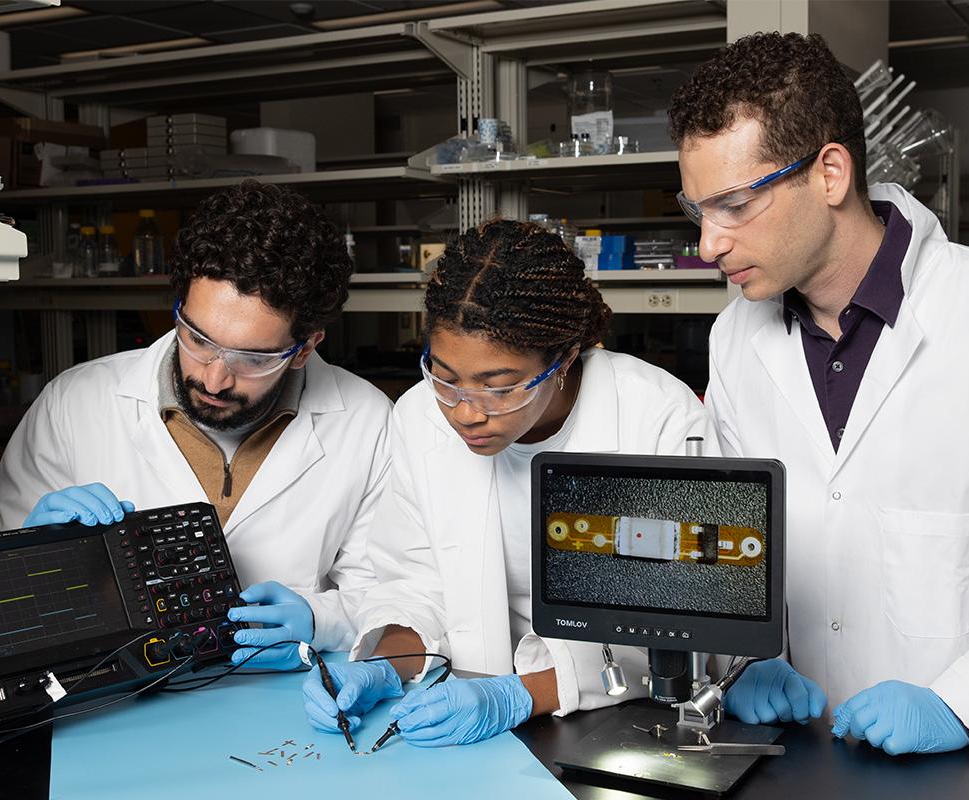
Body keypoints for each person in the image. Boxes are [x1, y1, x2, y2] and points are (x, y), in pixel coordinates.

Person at [669, 31, 969, 799]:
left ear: (831, 172)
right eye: (696, 209)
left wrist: (963, 702)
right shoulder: (736, 341)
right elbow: (733, 541)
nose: (709, 242)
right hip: (807, 764)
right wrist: (745, 657)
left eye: (735, 206)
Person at [301, 219, 717, 746]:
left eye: (498, 387)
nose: (465, 412)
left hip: (618, 716)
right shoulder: (418, 419)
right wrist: (384, 666)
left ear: (564, 358)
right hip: (464, 696)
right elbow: (415, 583)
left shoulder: (653, 418)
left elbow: (687, 625)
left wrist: (518, 695)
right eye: (445, 378)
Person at [0, 181, 393, 670]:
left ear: (304, 348)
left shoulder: (366, 419)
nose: (215, 378)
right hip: (117, 695)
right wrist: (26, 554)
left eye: (253, 358)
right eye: (198, 338)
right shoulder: (77, 402)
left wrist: (320, 619)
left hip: (285, 700)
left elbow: (390, 591)